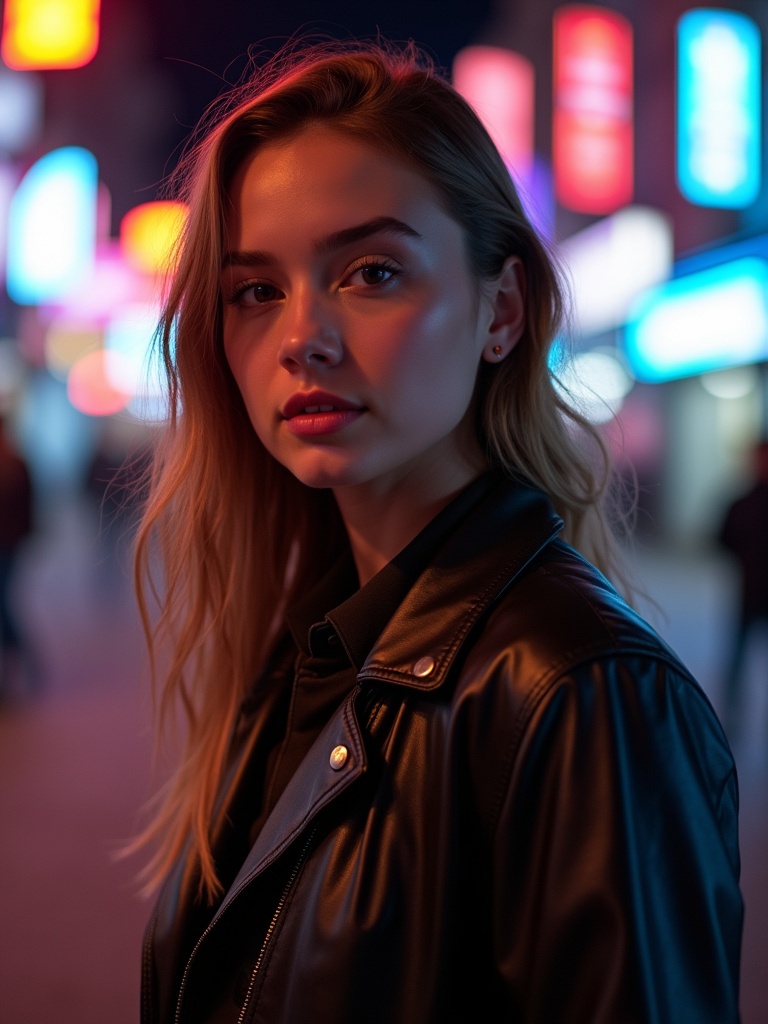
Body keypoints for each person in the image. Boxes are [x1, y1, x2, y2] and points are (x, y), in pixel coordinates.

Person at [131, 39, 743, 1024]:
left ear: (499, 311)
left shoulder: (578, 691)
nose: (302, 337)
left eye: (371, 272)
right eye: (256, 290)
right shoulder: (311, 649)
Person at [717, 437, 768, 734]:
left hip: (750, 591)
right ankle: (733, 718)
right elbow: (723, 539)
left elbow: (723, 541)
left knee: (739, 657)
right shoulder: (741, 502)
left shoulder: (742, 501)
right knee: (737, 659)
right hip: (748, 594)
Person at [0, 411, 35, 698]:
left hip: (8, 546)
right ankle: (26, 665)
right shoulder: (18, 462)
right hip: (12, 544)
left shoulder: (16, 463)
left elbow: (27, 509)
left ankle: (24, 665)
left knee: (3, 606)